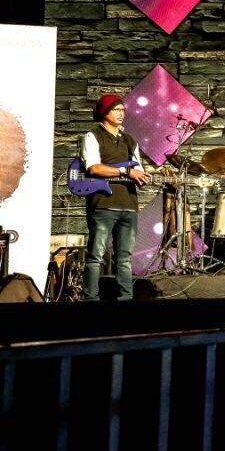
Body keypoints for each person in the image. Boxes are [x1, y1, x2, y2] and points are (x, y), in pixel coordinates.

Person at [80, 94, 149, 301]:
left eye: (123, 110)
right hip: (103, 204)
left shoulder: (130, 140)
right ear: (105, 112)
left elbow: (138, 170)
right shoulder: (93, 136)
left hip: (129, 205)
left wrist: (144, 176)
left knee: (125, 259)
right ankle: (91, 299)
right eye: (117, 110)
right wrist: (125, 172)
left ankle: (125, 299)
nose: (122, 113)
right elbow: (94, 167)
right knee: (95, 257)